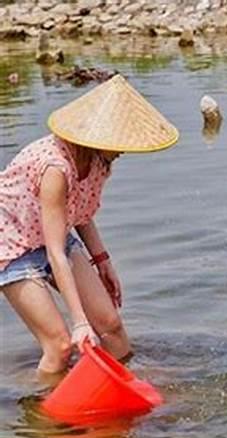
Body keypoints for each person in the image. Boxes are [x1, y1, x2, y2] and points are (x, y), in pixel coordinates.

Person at [1, 74, 178, 375]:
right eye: (121, 141)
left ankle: (124, 394)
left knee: (110, 326)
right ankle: (44, 417)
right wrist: (79, 322)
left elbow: (80, 211)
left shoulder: (99, 161)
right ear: (100, 136)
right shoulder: (55, 167)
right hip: (12, 243)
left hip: (52, 235)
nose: (124, 150)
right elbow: (56, 253)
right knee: (59, 345)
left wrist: (101, 259)